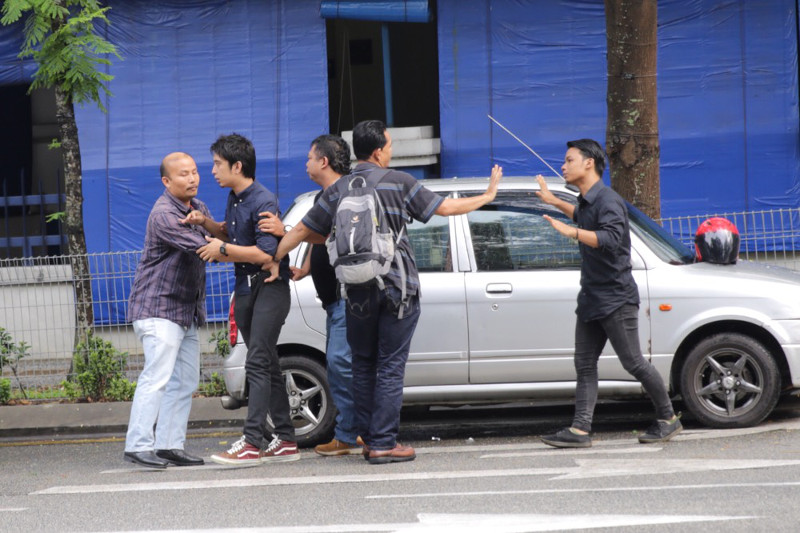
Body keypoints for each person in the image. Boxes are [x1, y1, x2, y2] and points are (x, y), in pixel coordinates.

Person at [264, 120, 503, 464]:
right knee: (390, 367)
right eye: (389, 147)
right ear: (378, 151)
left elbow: (303, 229)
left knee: (362, 365)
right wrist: (488, 195)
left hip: (355, 291)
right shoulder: (398, 182)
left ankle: (368, 439)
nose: (390, 152)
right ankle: (383, 444)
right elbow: (445, 209)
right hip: (397, 289)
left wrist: (275, 259)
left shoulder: (337, 190)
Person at [536, 138, 682, 448]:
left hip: (616, 298)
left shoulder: (608, 200)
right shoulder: (588, 201)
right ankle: (580, 430)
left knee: (633, 362)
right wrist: (554, 202)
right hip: (591, 298)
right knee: (585, 364)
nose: (563, 165)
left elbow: (612, 239)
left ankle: (668, 418)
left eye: (569, 160)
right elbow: (580, 215)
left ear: (589, 163)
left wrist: (571, 232)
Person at [195, 133, 297, 466]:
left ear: (237, 166)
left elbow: (264, 253)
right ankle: (285, 439)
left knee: (256, 360)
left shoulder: (262, 199)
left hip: (269, 288)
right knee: (266, 362)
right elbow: (236, 234)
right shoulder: (235, 198)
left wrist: (221, 250)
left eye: (217, 164)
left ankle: (252, 441)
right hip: (245, 288)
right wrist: (208, 224)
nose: (212, 171)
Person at [259, 134, 363, 456]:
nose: (305, 163)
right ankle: (348, 435)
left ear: (324, 161)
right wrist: (304, 267)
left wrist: (281, 240)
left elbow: (306, 232)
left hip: (349, 297)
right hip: (334, 300)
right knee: (337, 366)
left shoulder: (343, 192)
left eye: (309, 157)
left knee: (340, 363)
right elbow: (324, 237)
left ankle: (360, 431)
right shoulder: (325, 195)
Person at [123, 152, 212, 469]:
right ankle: (138, 444)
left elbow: (210, 232)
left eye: (195, 172)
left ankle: (170, 445)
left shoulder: (198, 208)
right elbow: (203, 246)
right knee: (157, 377)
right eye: (183, 174)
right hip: (158, 307)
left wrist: (209, 226)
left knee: (185, 381)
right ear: (166, 181)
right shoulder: (163, 213)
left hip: (186, 310)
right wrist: (217, 236)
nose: (192, 178)